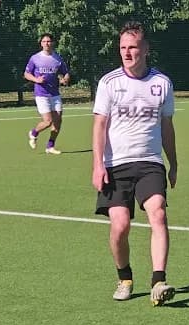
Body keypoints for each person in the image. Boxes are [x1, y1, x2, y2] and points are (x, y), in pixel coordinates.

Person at [91, 21, 178, 307]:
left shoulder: (162, 83)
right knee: (120, 226)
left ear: (146, 49)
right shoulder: (109, 83)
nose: (127, 53)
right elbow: (100, 125)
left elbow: (167, 127)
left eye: (133, 48)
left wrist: (173, 163)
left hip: (150, 162)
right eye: (123, 48)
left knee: (159, 214)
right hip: (116, 165)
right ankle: (125, 277)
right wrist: (98, 165)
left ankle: (159, 280)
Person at [24, 33, 71, 154]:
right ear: (41, 43)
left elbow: (65, 73)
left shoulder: (58, 58)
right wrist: (36, 80)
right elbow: (26, 74)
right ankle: (33, 133)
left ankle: (50, 146)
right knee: (48, 121)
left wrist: (64, 79)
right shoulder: (35, 58)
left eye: (49, 41)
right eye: (44, 41)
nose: (47, 44)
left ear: (53, 43)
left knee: (58, 121)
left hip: (54, 94)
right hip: (41, 94)